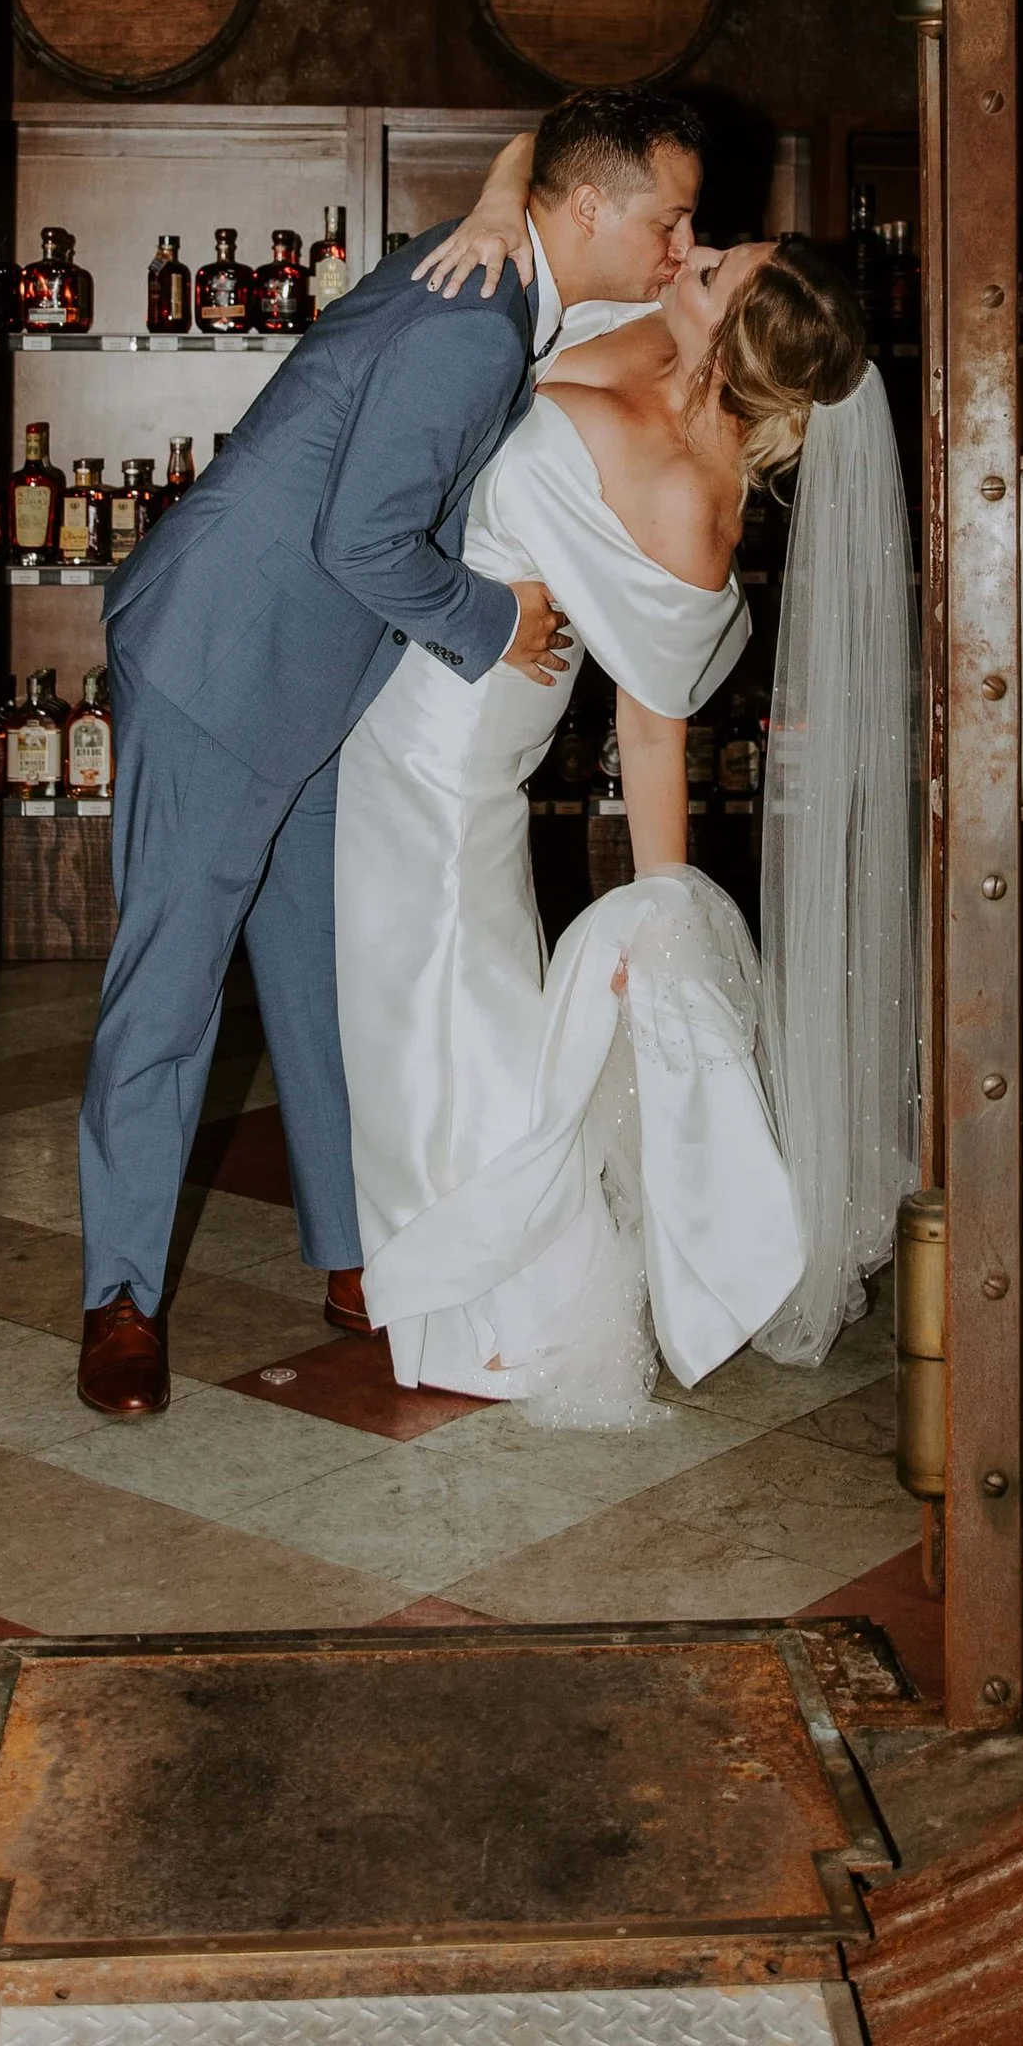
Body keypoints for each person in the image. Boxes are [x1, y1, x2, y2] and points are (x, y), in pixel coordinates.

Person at [72, 90, 706, 1415]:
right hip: (220, 656)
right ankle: (120, 1295)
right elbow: (358, 541)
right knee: (172, 982)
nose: (678, 246)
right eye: (671, 220)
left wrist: (503, 179)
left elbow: (562, 135)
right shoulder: (477, 320)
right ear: (589, 210)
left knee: (316, 976)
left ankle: (356, 1254)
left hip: (323, 684)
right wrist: (503, 619)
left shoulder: (503, 262)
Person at [335, 205, 910, 1419]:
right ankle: (486, 1294)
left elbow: (654, 723)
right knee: (446, 1006)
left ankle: (512, 1313)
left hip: (442, 754)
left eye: (713, 270)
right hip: (427, 700)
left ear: (724, 347)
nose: (689, 259)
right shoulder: (660, 369)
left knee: (429, 1015)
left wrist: (661, 905)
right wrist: (504, 204)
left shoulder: (668, 484)